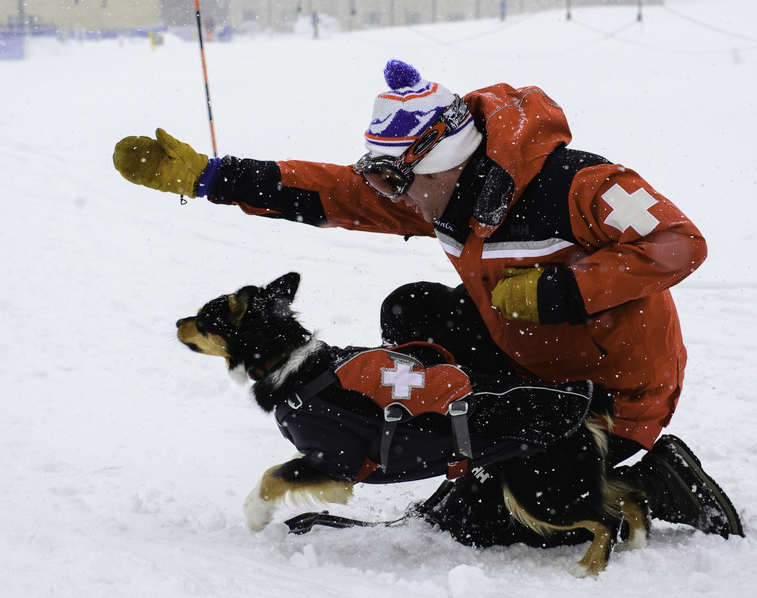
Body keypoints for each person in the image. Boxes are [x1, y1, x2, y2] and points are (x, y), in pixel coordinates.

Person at [113, 59, 743, 543]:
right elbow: (333, 194)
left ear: (443, 160)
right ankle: (456, 446)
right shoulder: (440, 191)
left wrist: (564, 289)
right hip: (524, 365)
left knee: (486, 525)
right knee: (411, 309)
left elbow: (680, 242)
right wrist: (212, 177)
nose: (390, 193)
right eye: (381, 175)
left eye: (395, 177)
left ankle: (641, 476)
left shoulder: (578, 183)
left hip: (607, 389)